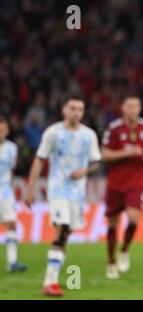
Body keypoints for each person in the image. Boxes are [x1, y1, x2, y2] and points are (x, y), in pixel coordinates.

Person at [25, 97, 101, 297]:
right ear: (64, 110)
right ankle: (49, 283)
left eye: (80, 109)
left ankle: (54, 277)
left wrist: (83, 171)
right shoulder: (53, 133)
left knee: (65, 236)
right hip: (57, 189)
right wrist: (30, 189)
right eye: (73, 108)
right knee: (62, 230)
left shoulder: (89, 135)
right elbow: (39, 160)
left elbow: (96, 162)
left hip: (77, 194)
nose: (76, 112)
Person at [101, 96, 143, 279]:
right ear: (123, 109)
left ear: (140, 109)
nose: (133, 109)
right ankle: (111, 260)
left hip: (137, 182)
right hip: (116, 183)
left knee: (134, 218)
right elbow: (105, 154)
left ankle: (124, 249)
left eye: (136, 106)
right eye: (129, 106)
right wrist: (127, 152)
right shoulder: (114, 128)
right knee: (113, 222)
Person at [0, 116, 27, 272]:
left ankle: (12, 262)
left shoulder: (12, 148)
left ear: (7, 131)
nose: (0, 133)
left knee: (11, 223)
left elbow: (13, 168)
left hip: (5, 190)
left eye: (3, 130)